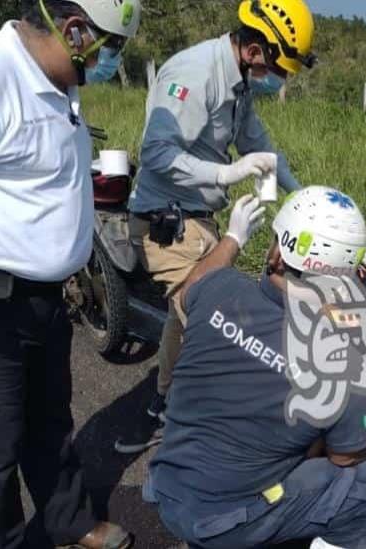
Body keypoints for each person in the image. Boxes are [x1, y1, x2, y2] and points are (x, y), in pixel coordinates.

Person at [144, 187, 366, 549]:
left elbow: (192, 286)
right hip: (225, 524)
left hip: (166, 488)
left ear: (278, 252)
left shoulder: (221, 290)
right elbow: (345, 454)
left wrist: (233, 237)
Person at [0, 1, 142, 547]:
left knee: (51, 422)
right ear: (74, 31)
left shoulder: (59, 78)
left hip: (47, 299)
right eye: (110, 47)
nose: (109, 61)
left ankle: (68, 523)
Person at [125, 0, 316, 437]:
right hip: (167, 218)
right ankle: (216, 423)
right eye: (278, 70)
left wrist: (300, 192)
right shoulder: (196, 73)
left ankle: (165, 400)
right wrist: (225, 173)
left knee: (184, 315)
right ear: (253, 52)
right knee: (215, 314)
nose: (279, 80)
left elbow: (257, 143)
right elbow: (156, 154)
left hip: (200, 216)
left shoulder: (239, 84)